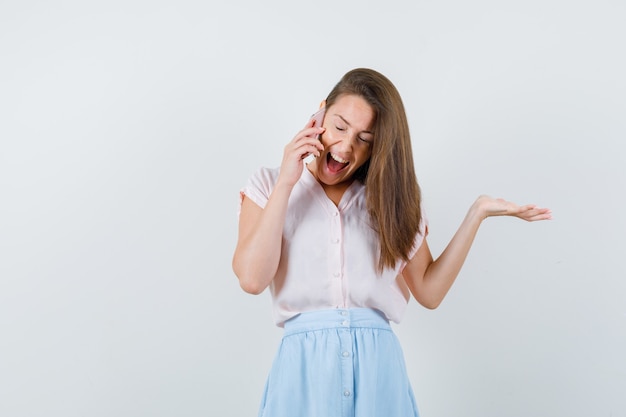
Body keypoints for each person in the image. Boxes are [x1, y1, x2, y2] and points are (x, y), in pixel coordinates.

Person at [232, 68, 551, 417]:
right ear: (319, 113)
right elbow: (251, 279)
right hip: (303, 372)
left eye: (365, 138)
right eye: (339, 127)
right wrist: (286, 183)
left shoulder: (390, 200)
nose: (345, 146)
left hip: (378, 371)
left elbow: (428, 292)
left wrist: (477, 214)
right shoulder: (267, 185)